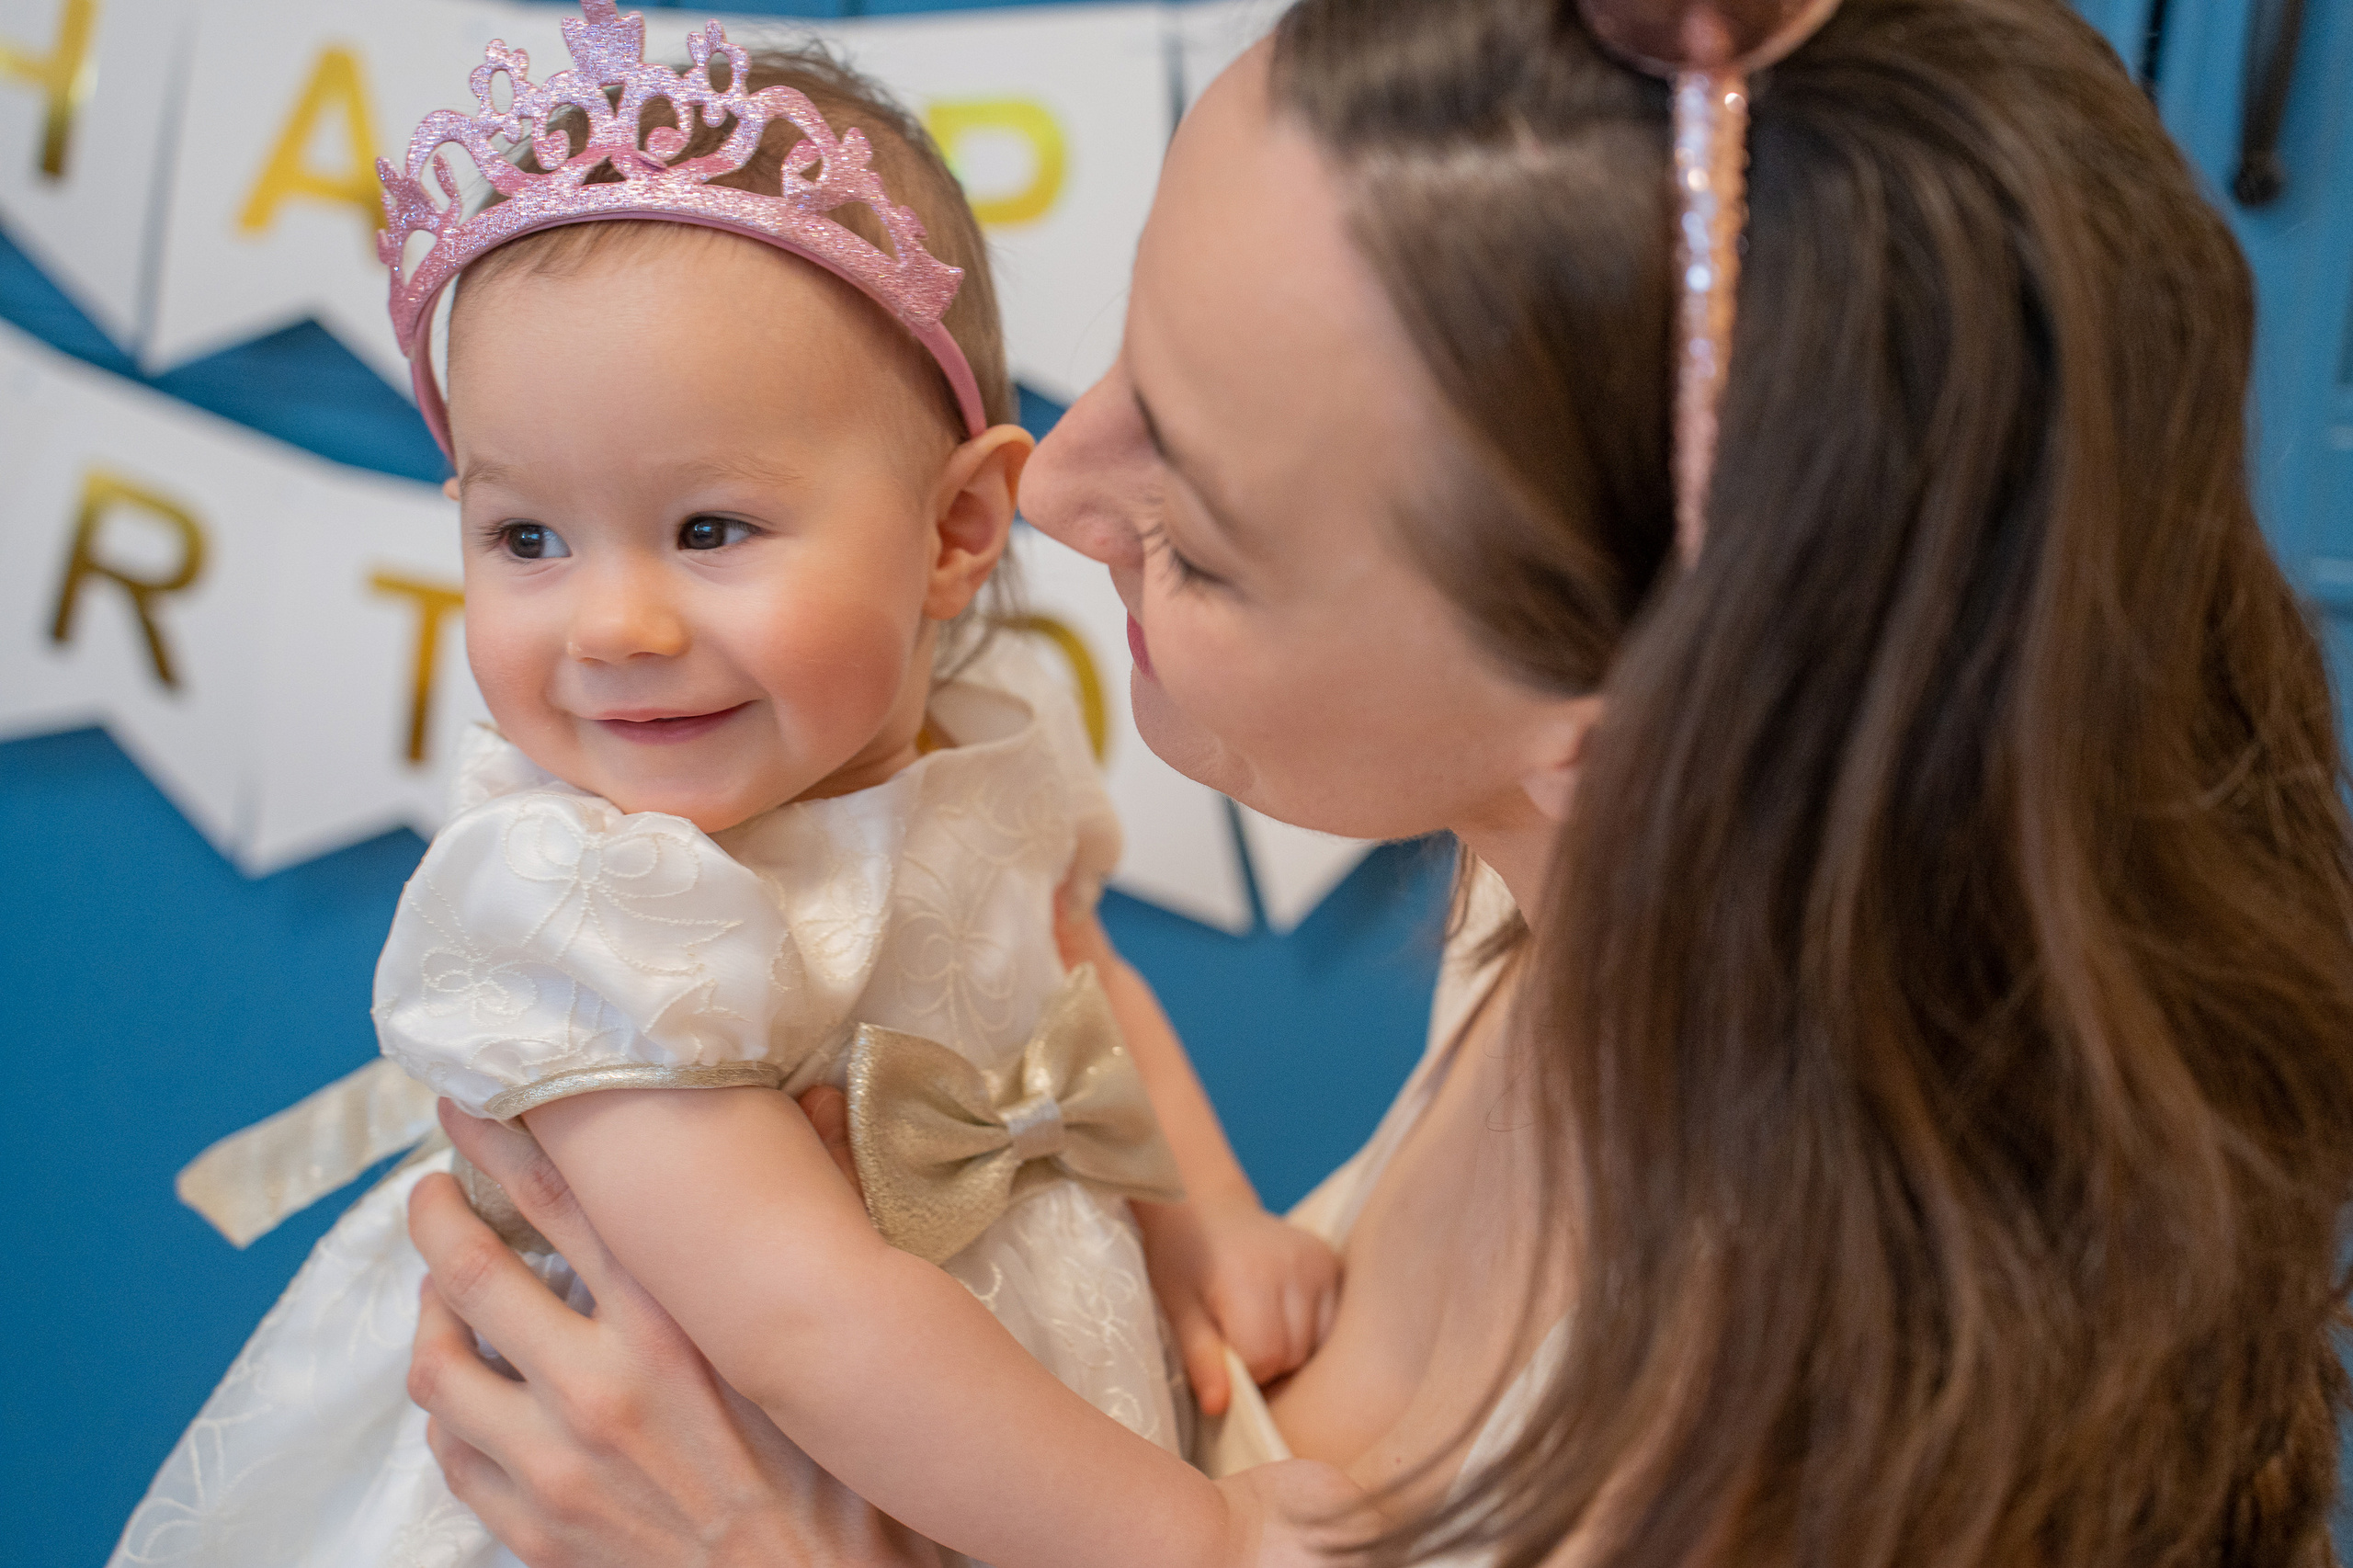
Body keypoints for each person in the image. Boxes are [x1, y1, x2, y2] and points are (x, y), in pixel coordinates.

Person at [404, 0, 2353, 1564]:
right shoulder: (1569, 894)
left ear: (1622, 735)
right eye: (1126, 363)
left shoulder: (1781, 1468)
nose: (1053, 500)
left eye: (1210, 532)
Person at [111, 22, 1340, 1568]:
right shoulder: (584, 903)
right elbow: (804, 1320)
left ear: (956, 530)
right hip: (647, 1487)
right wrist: (1196, 1546)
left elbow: (1076, 1002)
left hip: (991, 1454)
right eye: (528, 539)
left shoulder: (992, 742)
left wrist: (1208, 1216)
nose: (613, 623)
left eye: (707, 526)